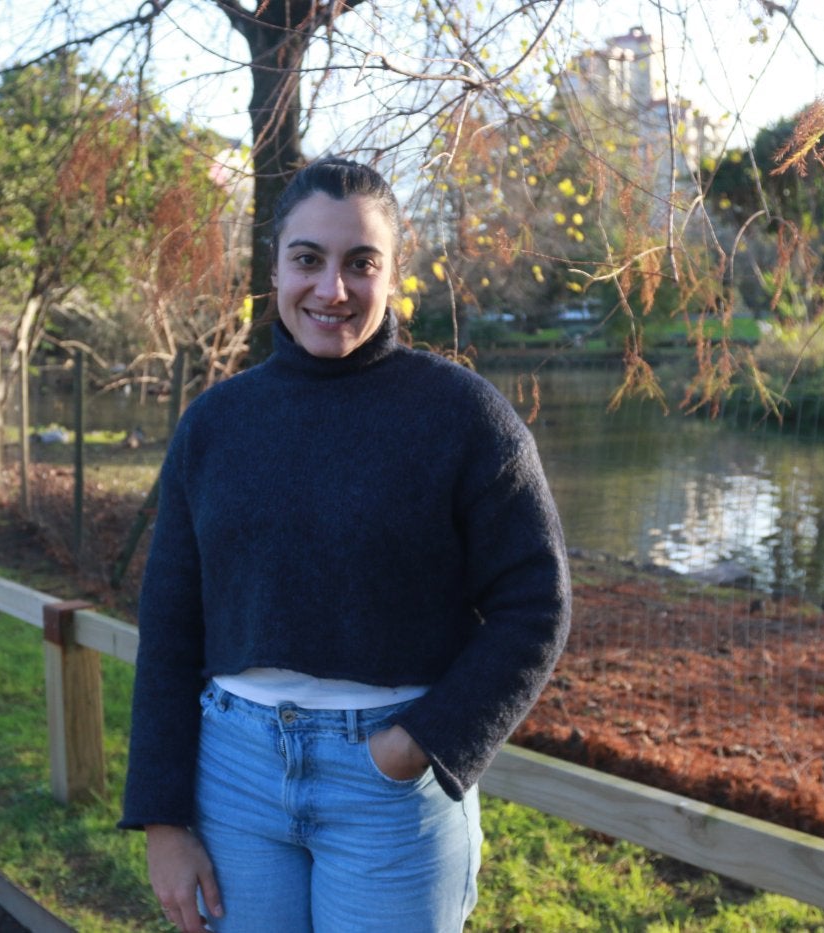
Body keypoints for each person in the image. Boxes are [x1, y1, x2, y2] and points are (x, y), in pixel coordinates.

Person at [120, 157, 571, 932]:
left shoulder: (463, 417)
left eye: (360, 263)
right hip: (233, 780)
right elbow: (170, 623)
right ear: (275, 269)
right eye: (309, 260)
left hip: (390, 787)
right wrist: (163, 818)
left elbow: (537, 604)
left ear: (394, 273)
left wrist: (418, 742)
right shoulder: (216, 424)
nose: (332, 289)